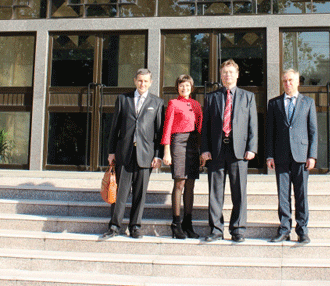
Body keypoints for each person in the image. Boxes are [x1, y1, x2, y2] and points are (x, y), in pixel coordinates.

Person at [101, 68, 165, 240]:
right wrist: (111, 151)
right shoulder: (123, 99)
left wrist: (158, 155)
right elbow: (114, 128)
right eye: (140, 80)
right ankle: (114, 227)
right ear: (135, 81)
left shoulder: (157, 102)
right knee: (120, 193)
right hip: (124, 154)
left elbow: (159, 132)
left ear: (151, 83)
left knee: (139, 194)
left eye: (146, 81)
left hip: (146, 156)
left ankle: (135, 226)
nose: (142, 84)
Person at [200, 59, 258, 242]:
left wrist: (252, 148)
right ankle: (216, 230)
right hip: (216, 150)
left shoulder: (248, 97)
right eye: (224, 72)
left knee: (239, 192)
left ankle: (238, 230)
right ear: (221, 75)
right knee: (215, 193)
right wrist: (204, 149)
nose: (227, 75)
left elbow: (253, 124)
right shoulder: (211, 97)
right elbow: (205, 126)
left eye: (231, 72)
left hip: (239, 151)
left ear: (237, 75)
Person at [265, 69, 317, 244]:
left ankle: (302, 230)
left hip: (301, 157)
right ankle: (284, 229)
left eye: (291, 80)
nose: (287, 83)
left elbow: (313, 132)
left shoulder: (308, 102)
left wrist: (312, 155)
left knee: (301, 195)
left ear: (298, 82)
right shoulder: (274, 103)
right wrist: (269, 155)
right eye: (285, 81)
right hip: (280, 156)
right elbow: (269, 132)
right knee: (283, 195)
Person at [161, 74, 203, 239]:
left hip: (193, 143)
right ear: (177, 88)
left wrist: (202, 151)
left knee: (190, 184)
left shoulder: (196, 104)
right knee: (180, 182)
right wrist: (166, 150)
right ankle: (176, 224)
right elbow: (167, 127)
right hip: (178, 142)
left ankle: (188, 223)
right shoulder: (173, 103)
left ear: (191, 88)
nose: (184, 88)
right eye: (181, 85)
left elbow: (200, 128)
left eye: (187, 85)